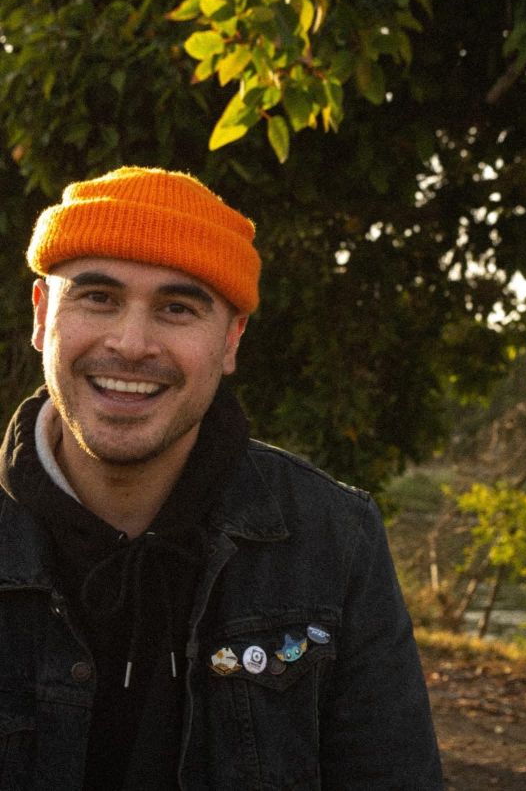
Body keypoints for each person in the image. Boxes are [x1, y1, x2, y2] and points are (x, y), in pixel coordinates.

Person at [0, 166, 443, 790]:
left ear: (231, 340)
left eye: (177, 308)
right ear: (43, 314)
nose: (131, 343)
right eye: (98, 297)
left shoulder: (335, 540)